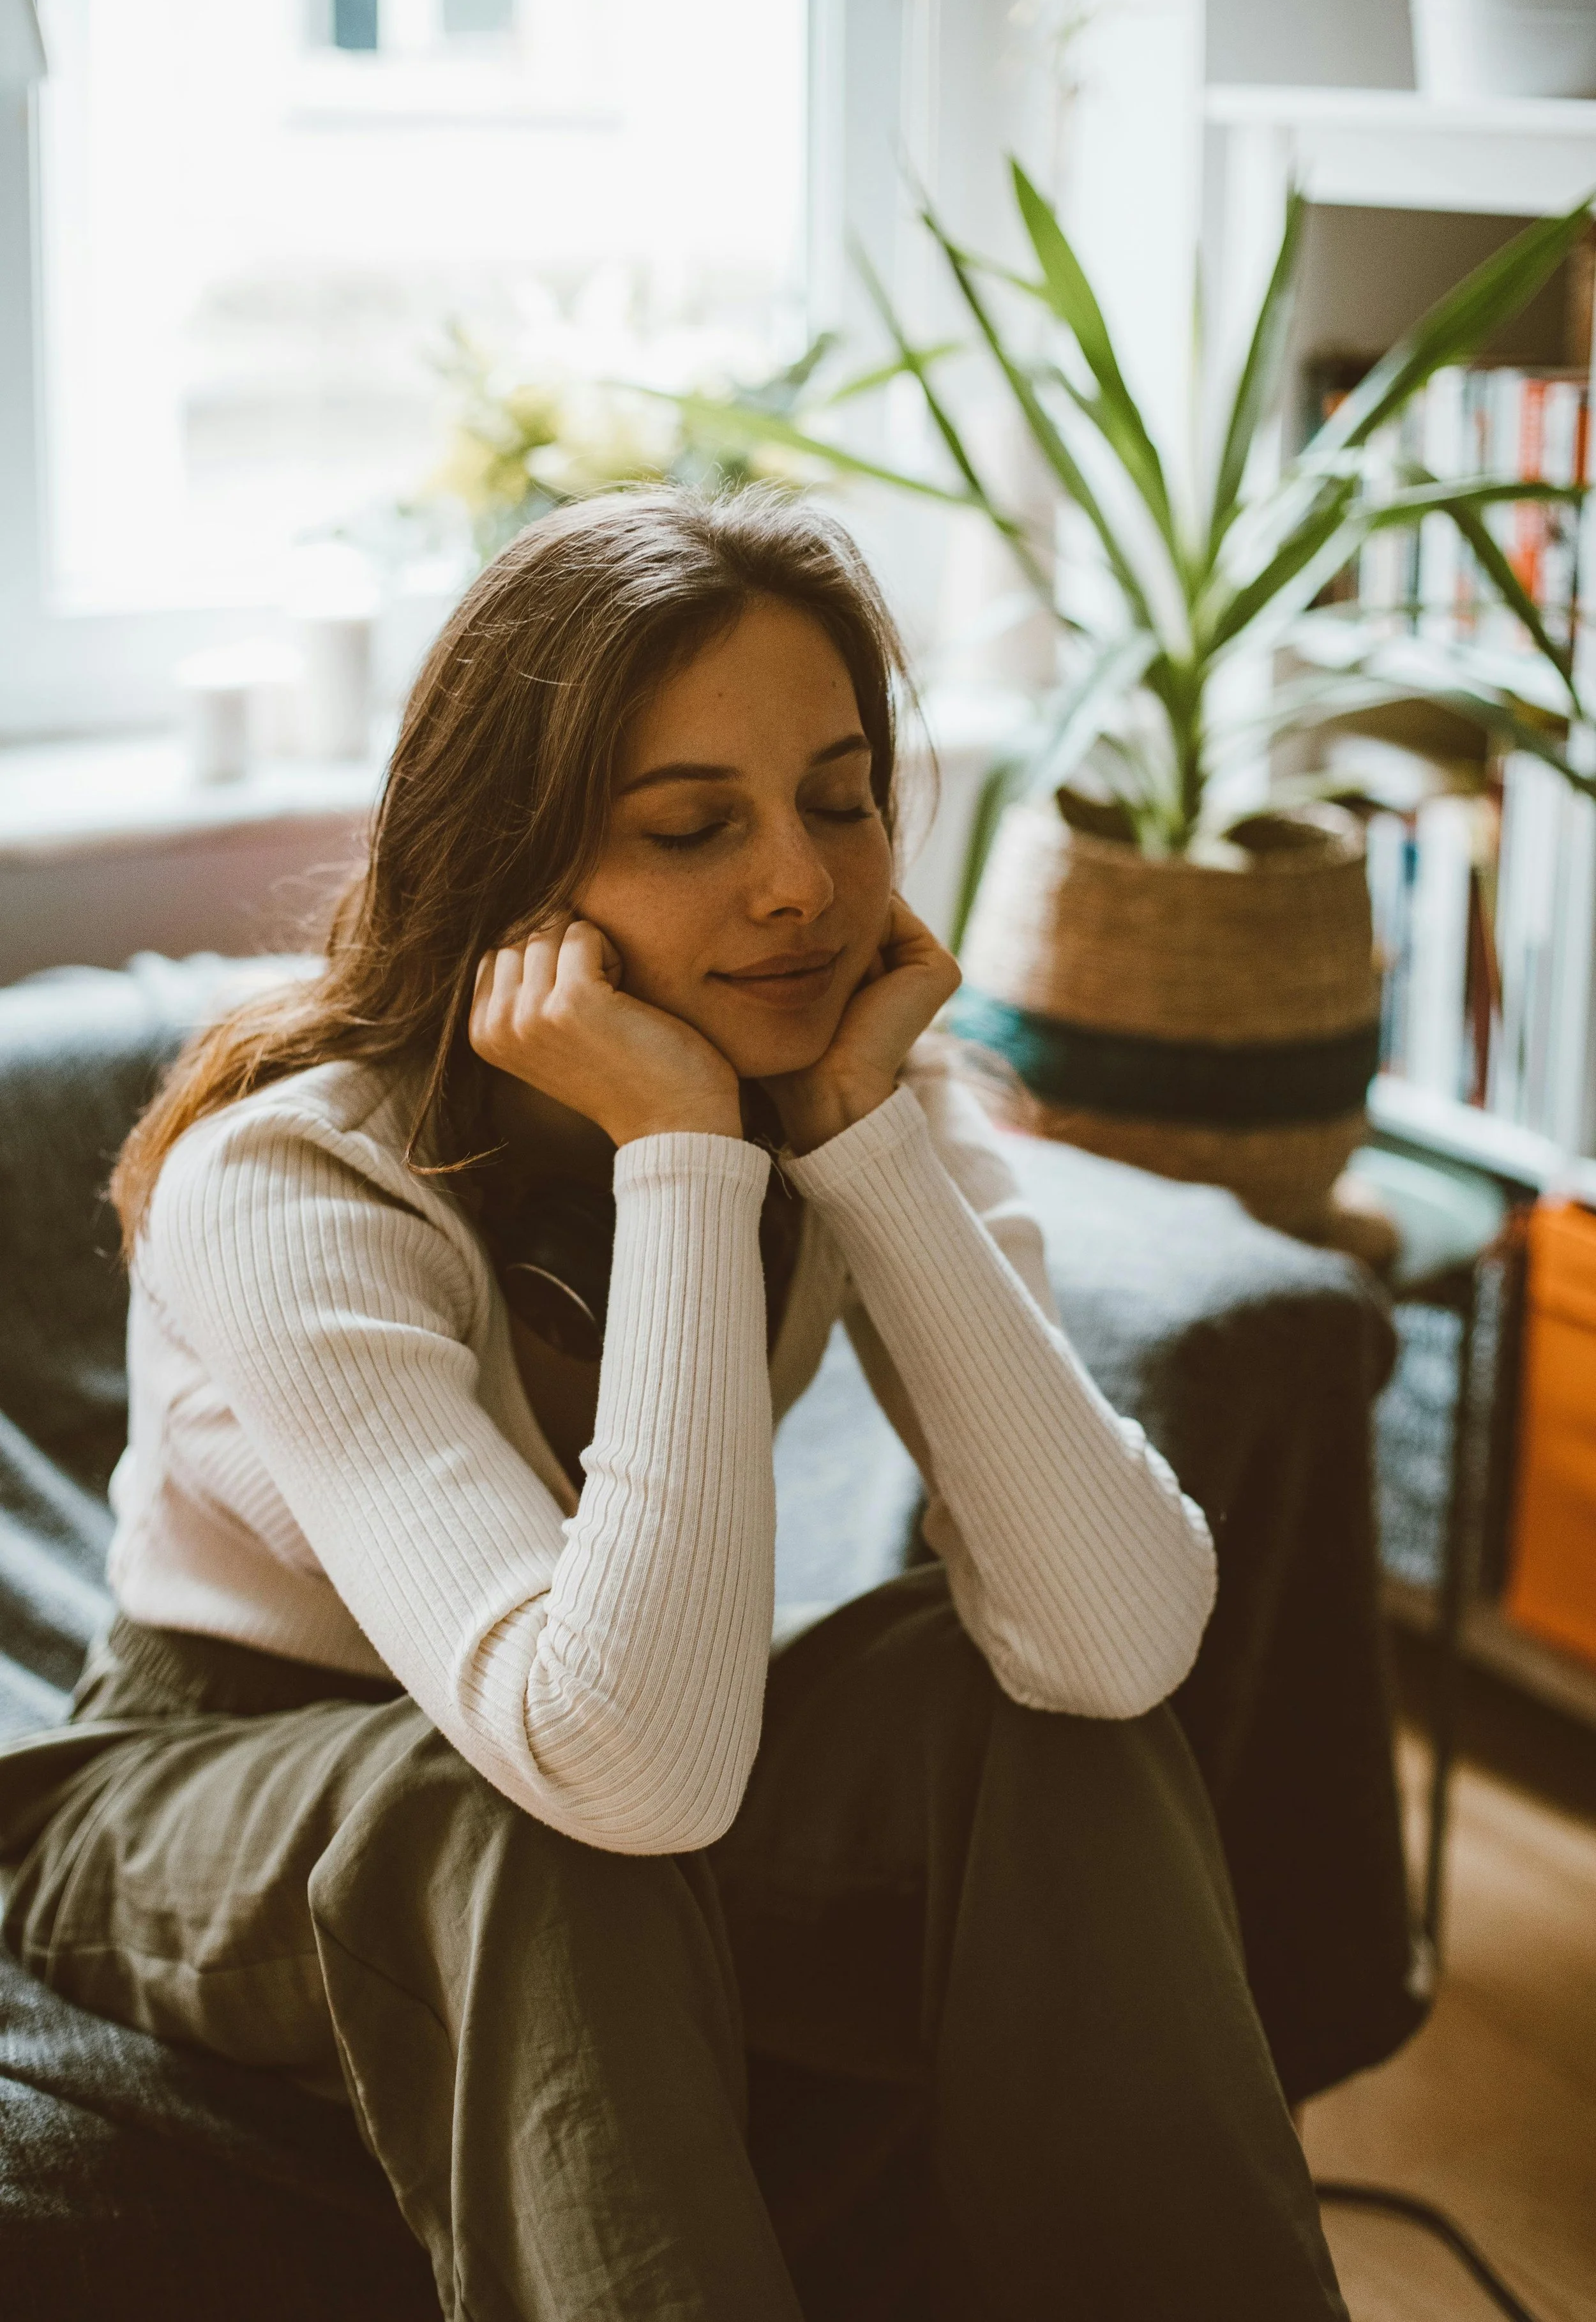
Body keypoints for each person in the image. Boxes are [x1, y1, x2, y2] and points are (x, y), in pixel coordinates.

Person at [0, 488, 1348, 2320]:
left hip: (603, 1724)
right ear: (513, 860)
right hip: (209, 1782)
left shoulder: (853, 1094)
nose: (796, 880)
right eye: (689, 825)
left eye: (841, 794)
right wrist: (679, 1150)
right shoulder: (290, 1183)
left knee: (1025, 1710)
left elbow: (1115, 1639)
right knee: (525, 1826)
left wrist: (864, 1149)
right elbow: (615, 1768)